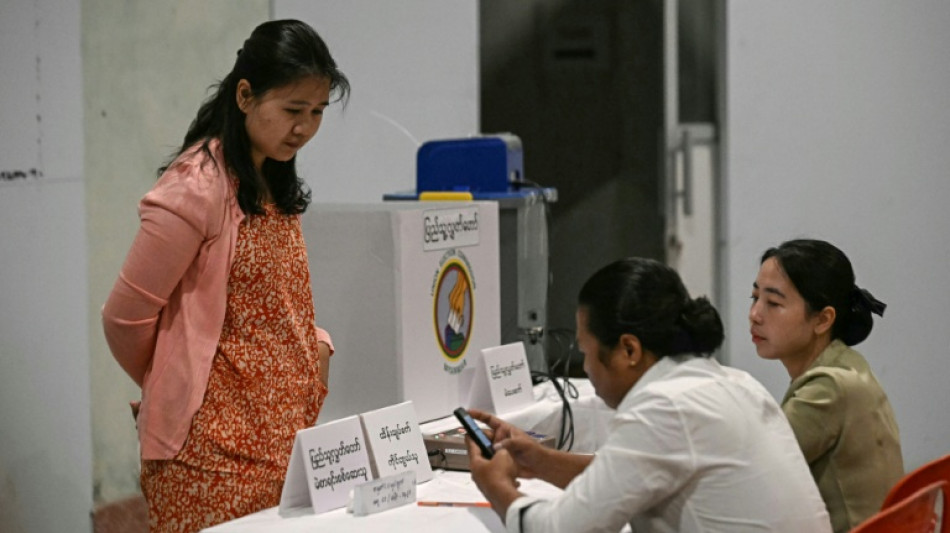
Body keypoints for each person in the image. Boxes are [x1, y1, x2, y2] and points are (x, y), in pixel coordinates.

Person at [101, 19, 350, 533]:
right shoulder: (196, 186)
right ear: (244, 95)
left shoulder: (271, 176)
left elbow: (278, 298)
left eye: (317, 112)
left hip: (281, 443)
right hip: (210, 457)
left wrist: (314, 345)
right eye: (291, 110)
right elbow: (124, 318)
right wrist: (174, 381)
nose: (304, 128)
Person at [466, 257, 831, 533]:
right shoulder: (733, 382)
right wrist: (541, 461)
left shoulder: (665, 408)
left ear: (629, 350)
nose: (586, 369)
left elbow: (561, 529)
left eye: (587, 352)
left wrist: (494, 485)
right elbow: (625, 478)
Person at [750, 239, 903, 532]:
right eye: (754, 297)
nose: (755, 314)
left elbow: (748, 473)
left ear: (822, 319)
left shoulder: (829, 387)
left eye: (773, 303)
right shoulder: (847, 363)